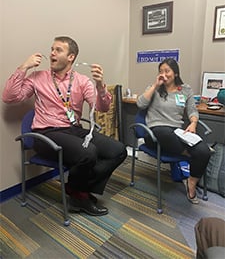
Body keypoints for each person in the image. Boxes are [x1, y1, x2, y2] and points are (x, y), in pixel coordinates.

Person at [2, 36, 127, 216]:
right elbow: (9, 97)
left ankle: (76, 189)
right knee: (89, 152)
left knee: (118, 150)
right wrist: (24, 67)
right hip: (45, 133)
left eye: (58, 50)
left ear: (71, 57)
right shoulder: (38, 77)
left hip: (73, 130)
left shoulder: (82, 81)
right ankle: (79, 197)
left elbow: (102, 108)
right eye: (51, 49)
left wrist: (100, 86)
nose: (52, 53)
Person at [137, 58, 211, 204]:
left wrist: (194, 123)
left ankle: (191, 182)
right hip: (154, 134)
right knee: (162, 132)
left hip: (176, 134)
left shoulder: (185, 90)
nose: (163, 74)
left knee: (204, 151)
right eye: (161, 71)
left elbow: (192, 111)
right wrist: (155, 85)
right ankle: (188, 153)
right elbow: (140, 104)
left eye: (167, 71)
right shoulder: (154, 88)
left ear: (175, 73)